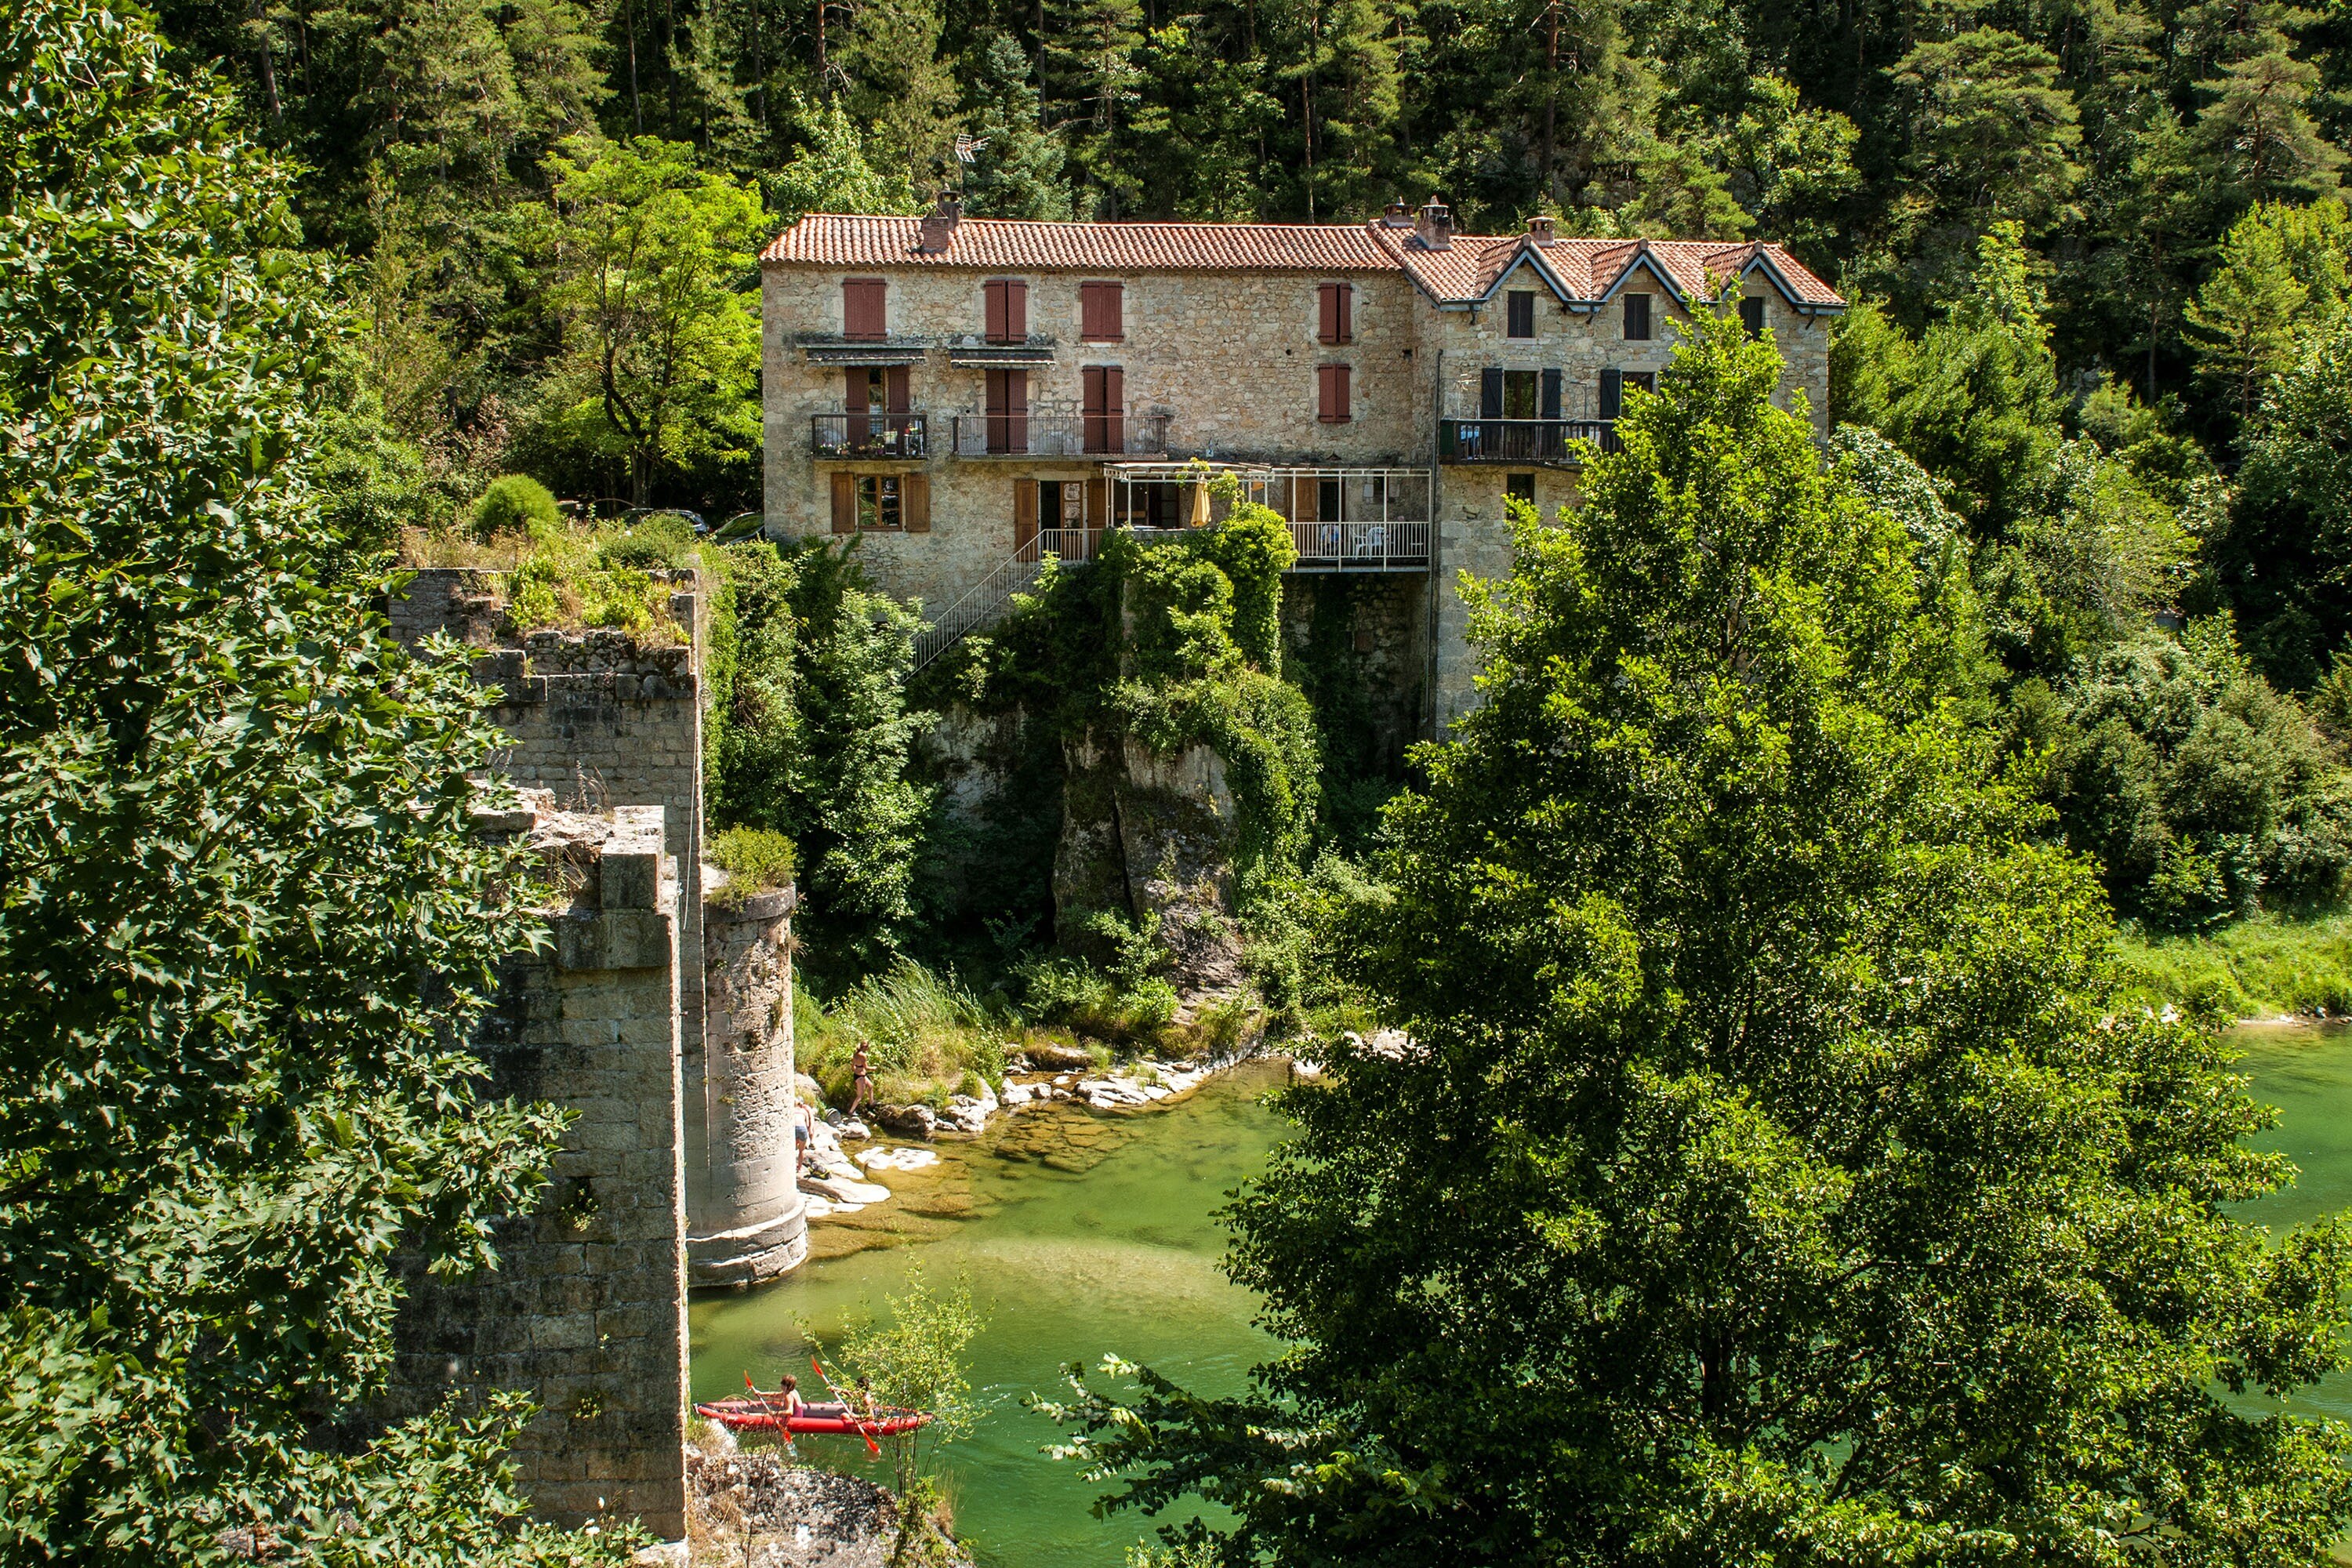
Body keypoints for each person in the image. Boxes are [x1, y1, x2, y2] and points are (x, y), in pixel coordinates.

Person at [849, 1041, 874, 1116]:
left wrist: (857, 1071)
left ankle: (872, 1103)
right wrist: (874, 1068)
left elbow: (852, 1066)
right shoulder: (863, 1056)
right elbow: (866, 1067)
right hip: (860, 1077)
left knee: (870, 1086)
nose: (868, 1048)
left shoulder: (855, 1054)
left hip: (858, 1075)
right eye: (867, 1047)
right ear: (864, 1047)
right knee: (860, 1095)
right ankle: (851, 1111)